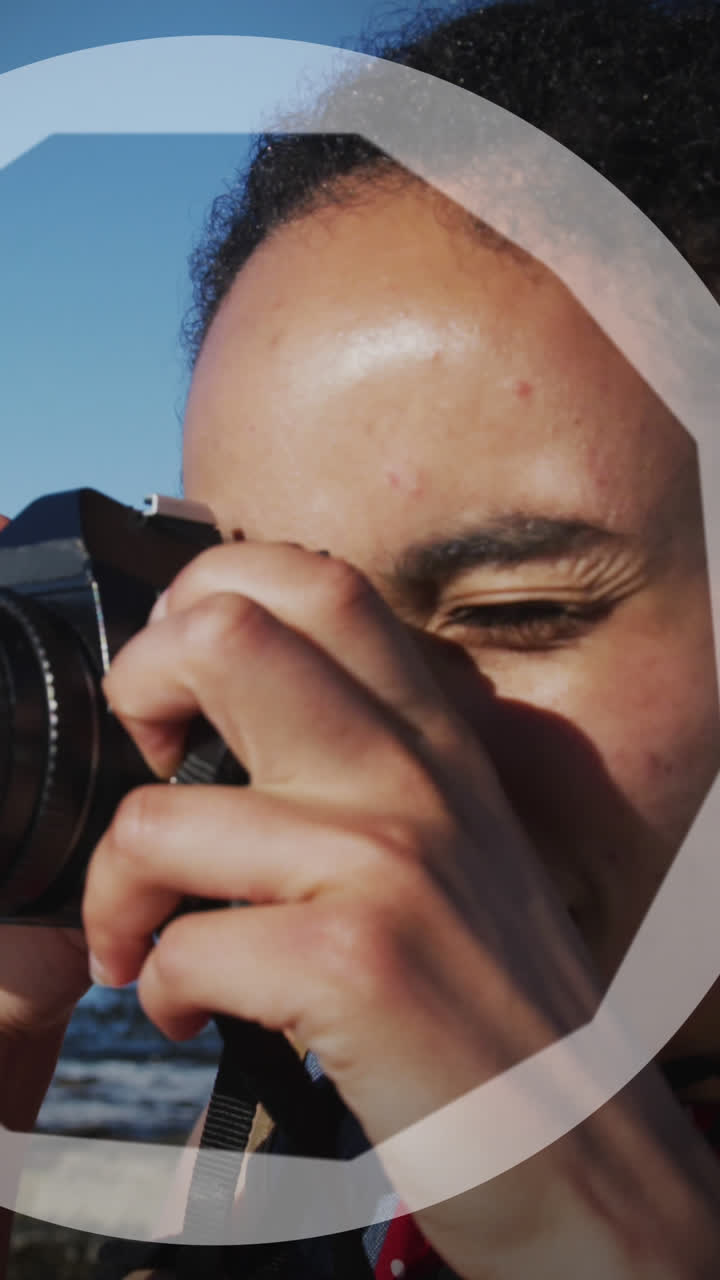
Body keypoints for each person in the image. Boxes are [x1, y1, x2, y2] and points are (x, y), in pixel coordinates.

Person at [2, 0, 720, 1275]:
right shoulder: (293, 1182)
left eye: (514, 612)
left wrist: (593, 1224)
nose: (347, 732)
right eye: (253, 622)